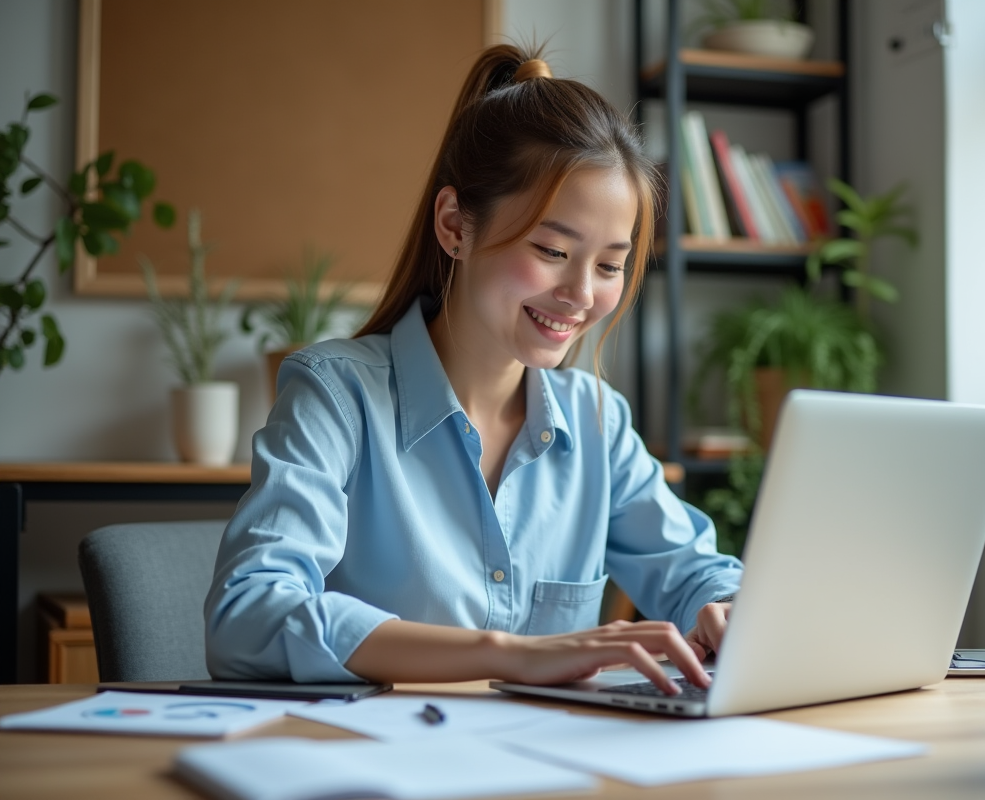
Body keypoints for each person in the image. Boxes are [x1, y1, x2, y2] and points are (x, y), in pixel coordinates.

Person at [204, 45, 743, 696]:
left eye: (608, 265)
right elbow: (248, 617)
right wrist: (507, 654)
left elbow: (692, 572)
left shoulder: (597, 420)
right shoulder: (336, 395)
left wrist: (725, 607)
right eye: (552, 250)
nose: (580, 293)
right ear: (455, 226)